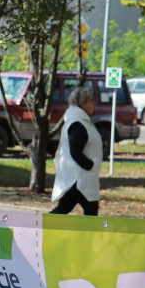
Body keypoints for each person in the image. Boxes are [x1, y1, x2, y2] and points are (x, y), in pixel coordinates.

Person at [50, 86, 101, 216]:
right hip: (80, 179)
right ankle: (38, 229)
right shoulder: (78, 124)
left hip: (80, 179)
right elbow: (75, 152)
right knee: (90, 213)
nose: (93, 103)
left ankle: (39, 229)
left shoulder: (81, 122)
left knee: (63, 209)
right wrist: (90, 165)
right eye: (90, 100)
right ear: (83, 104)